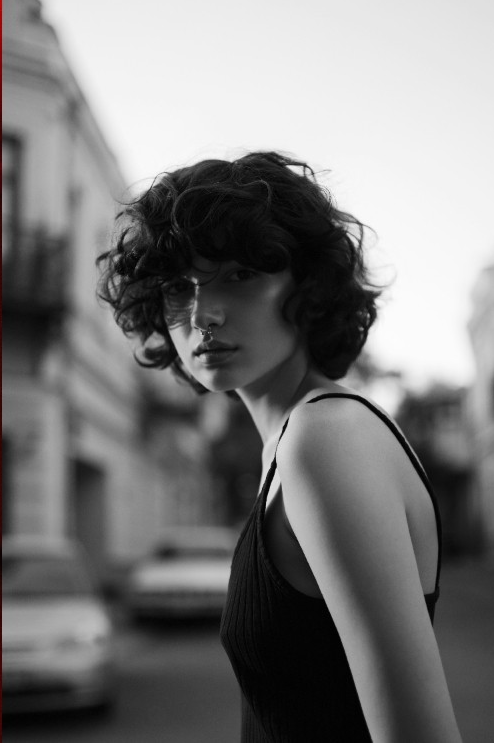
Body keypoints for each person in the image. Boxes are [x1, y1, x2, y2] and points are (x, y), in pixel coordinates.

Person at [98, 153, 460, 743]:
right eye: (177, 288)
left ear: (308, 286)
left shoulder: (326, 438)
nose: (203, 315)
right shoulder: (294, 441)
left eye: (239, 275)